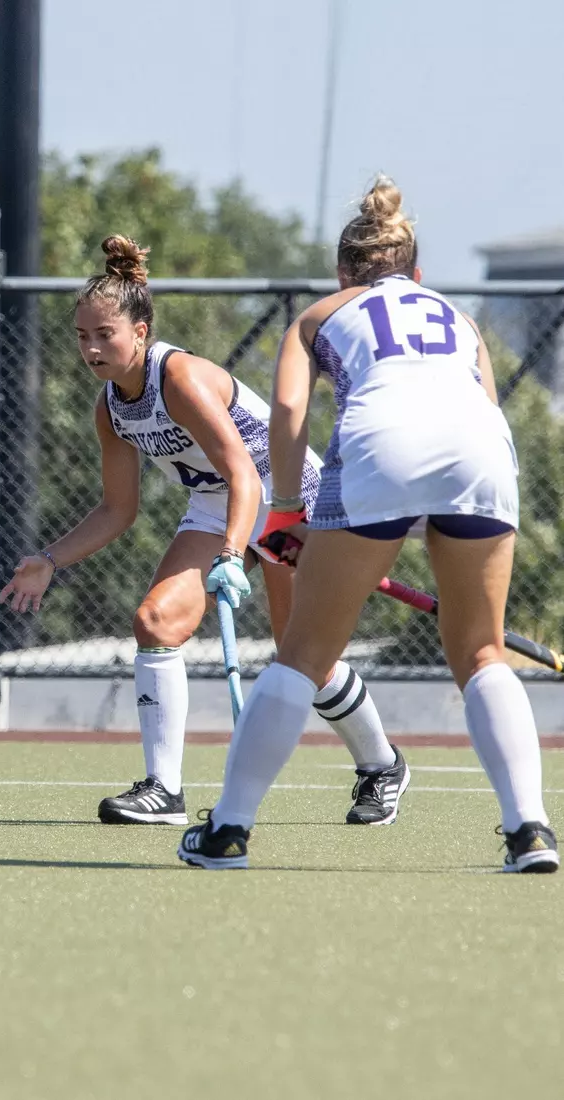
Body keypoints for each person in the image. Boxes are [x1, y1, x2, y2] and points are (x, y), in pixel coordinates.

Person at [178, 178, 555, 872]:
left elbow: (287, 414)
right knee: (482, 654)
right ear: (417, 273)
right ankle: (529, 831)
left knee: (302, 654)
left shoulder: (319, 316)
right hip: (482, 454)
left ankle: (228, 830)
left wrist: (288, 511)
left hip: (380, 447)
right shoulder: (459, 319)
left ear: (342, 272)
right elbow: (477, 413)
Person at [2, 236, 405, 827]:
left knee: (305, 656)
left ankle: (382, 765)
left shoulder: (180, 378)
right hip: (219, 503)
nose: (91, 348)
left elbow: (245, 473)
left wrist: (233, 555)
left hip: (289, 498)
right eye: (82, 336)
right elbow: (117, 510)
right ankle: (164, 789)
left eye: (105, 334)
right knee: (155, 622)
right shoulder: (110, 408)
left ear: (141, 331)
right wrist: (49, 559)